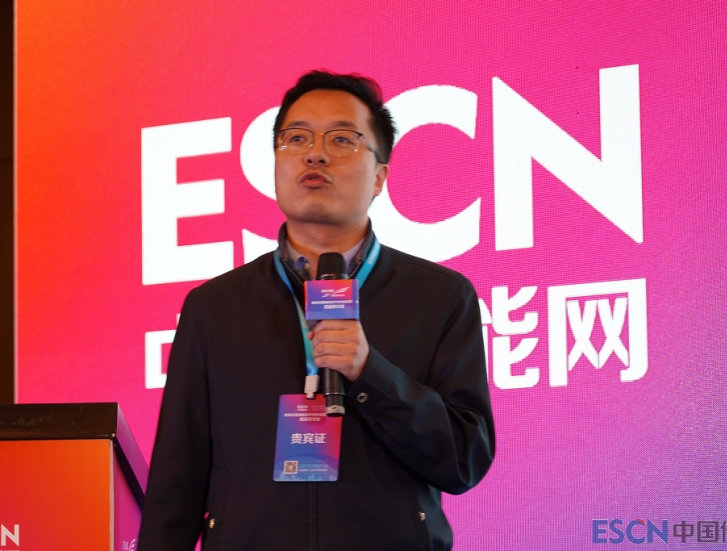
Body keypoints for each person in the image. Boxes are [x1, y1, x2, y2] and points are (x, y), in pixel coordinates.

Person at [138, 70, 495, 551]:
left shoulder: (439, 296)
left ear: (380, 177)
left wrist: (371, 373)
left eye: (342, 139)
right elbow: (175, 482)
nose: (315, 154)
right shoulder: (214, 308)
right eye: (297, 138)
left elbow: (464, 460)